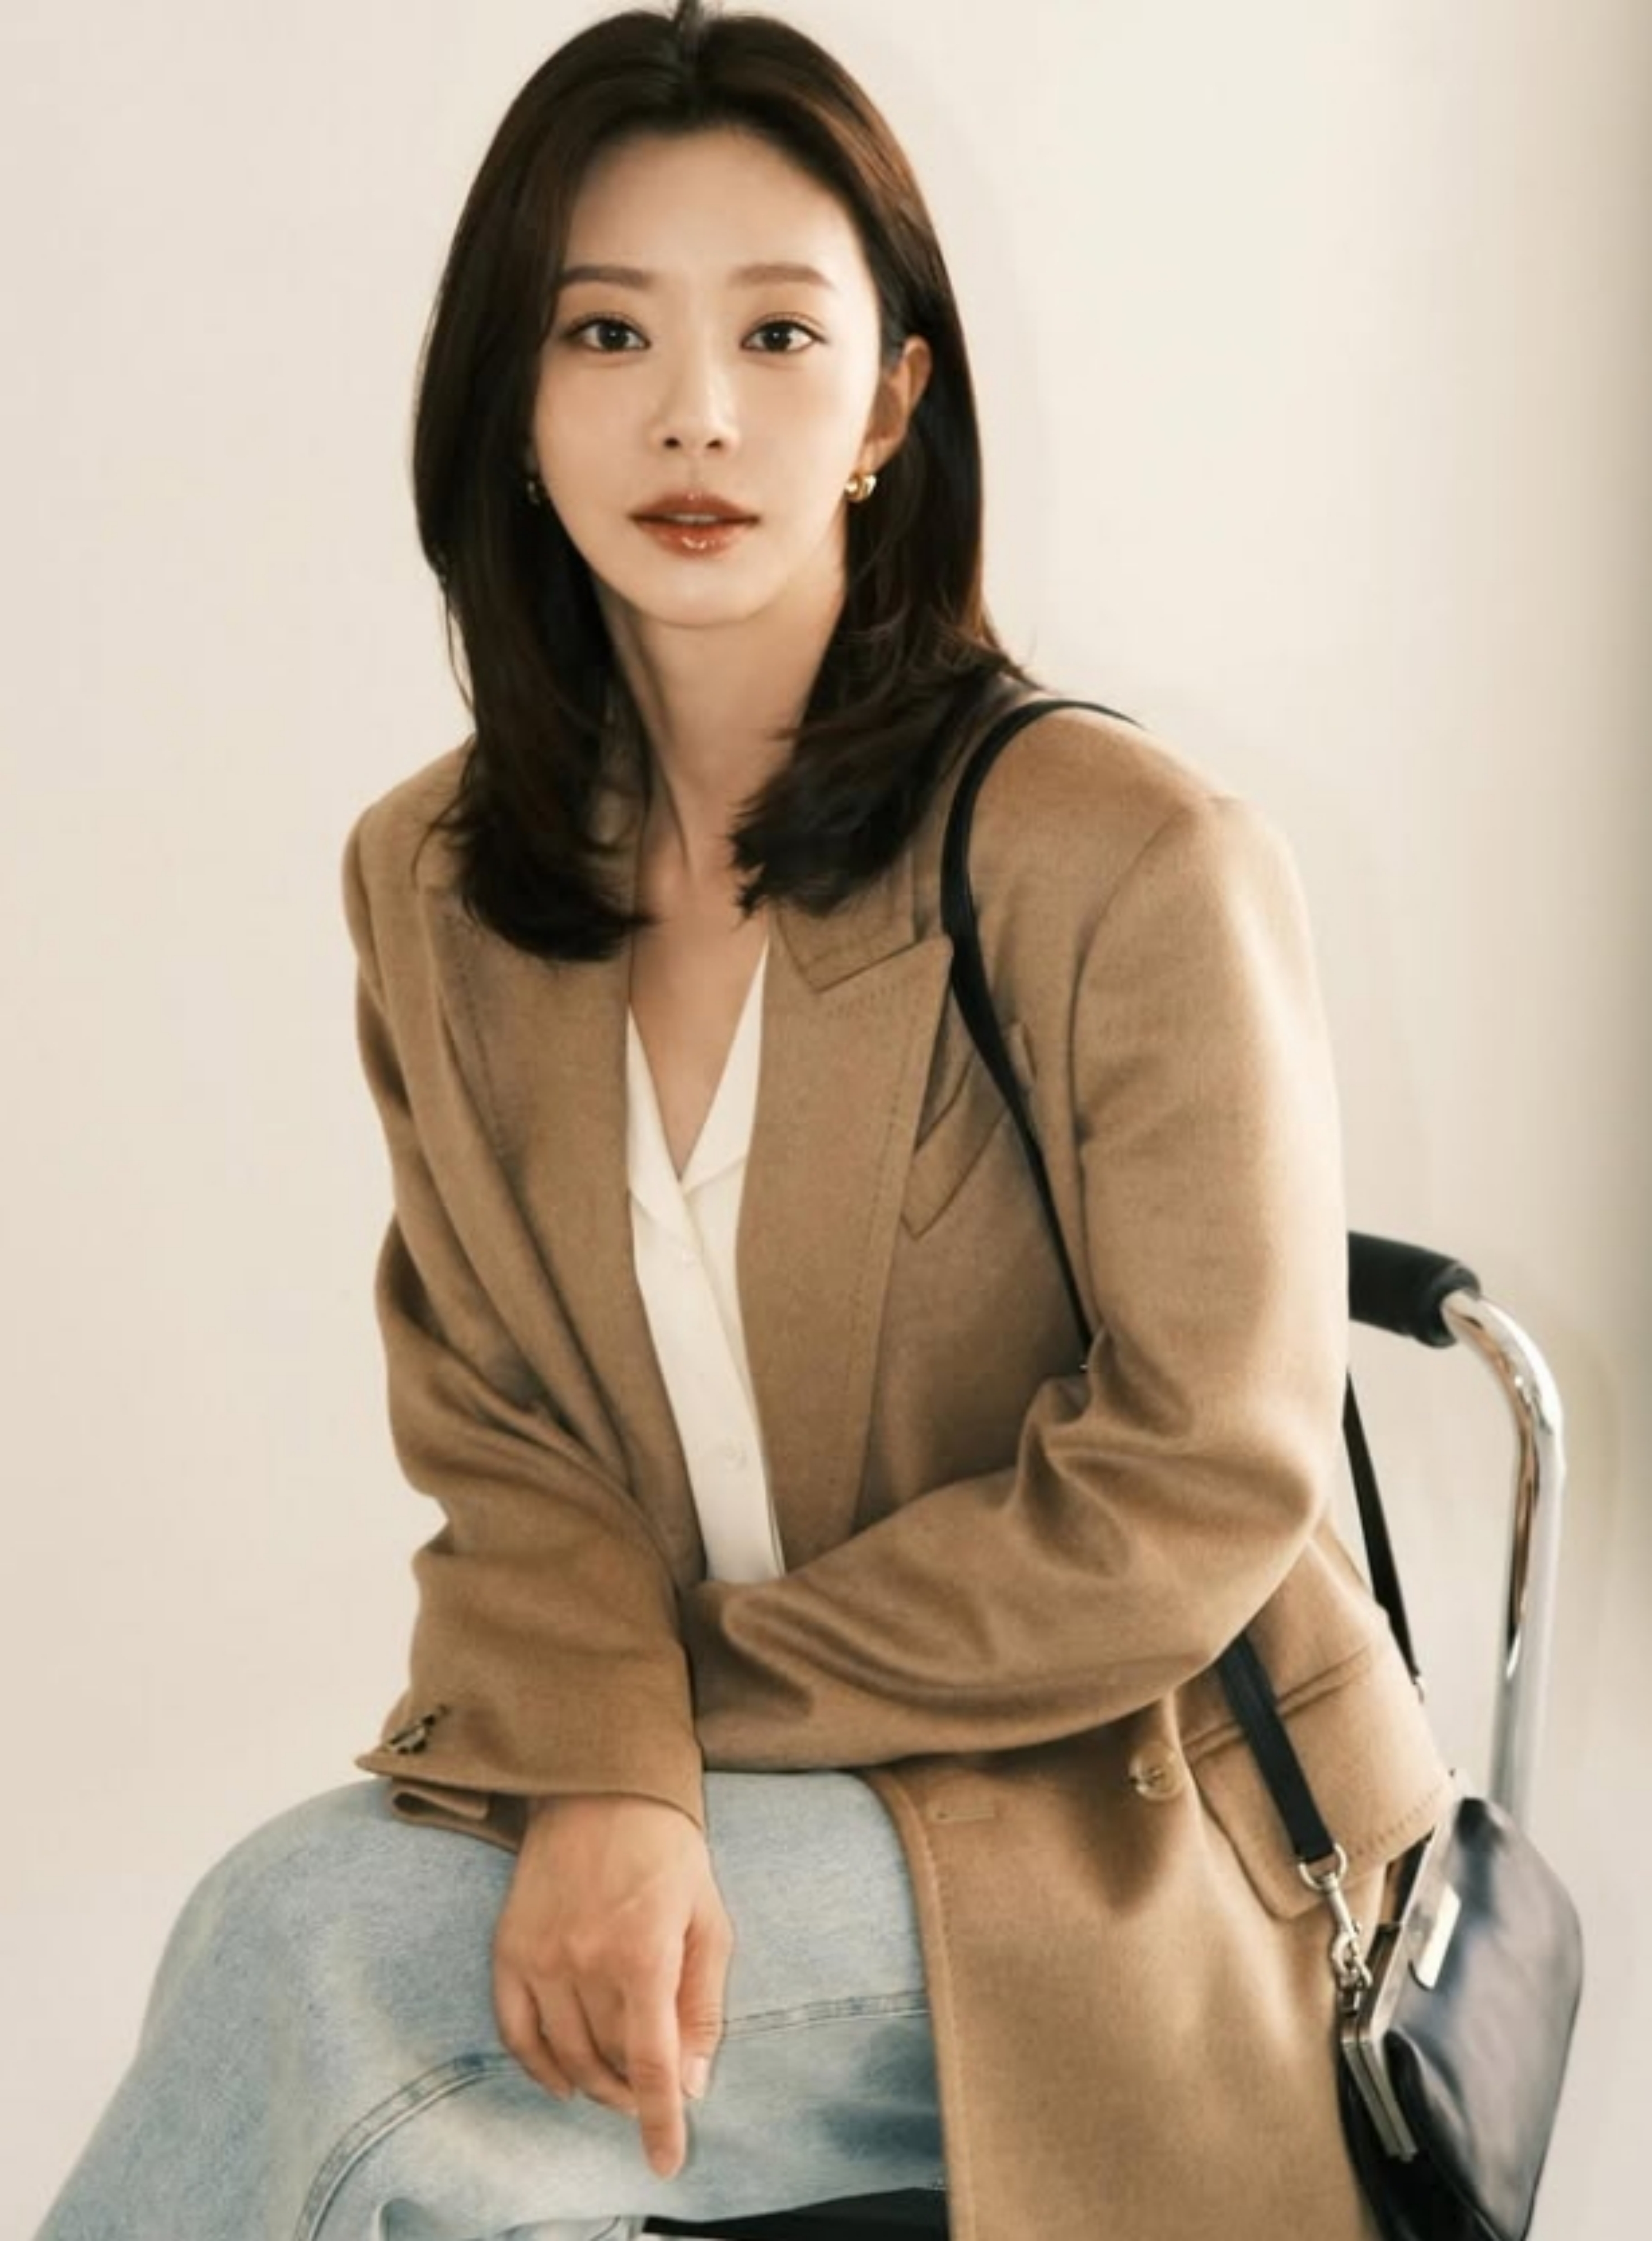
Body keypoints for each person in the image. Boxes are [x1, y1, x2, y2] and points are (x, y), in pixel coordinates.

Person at [36, 4, 1452, 2238]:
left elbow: (1199, 1478)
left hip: (1147, 1833)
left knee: (321, 1963)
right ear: (512, 399)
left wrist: (641, 1737)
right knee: (320, 1998)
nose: (694, 408)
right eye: (607, 329)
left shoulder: (1127, 854)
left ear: (890, 401)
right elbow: (503, 1432)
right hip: (754, 1805)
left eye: (779, 332)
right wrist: (615, 1762)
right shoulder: (437, 885)